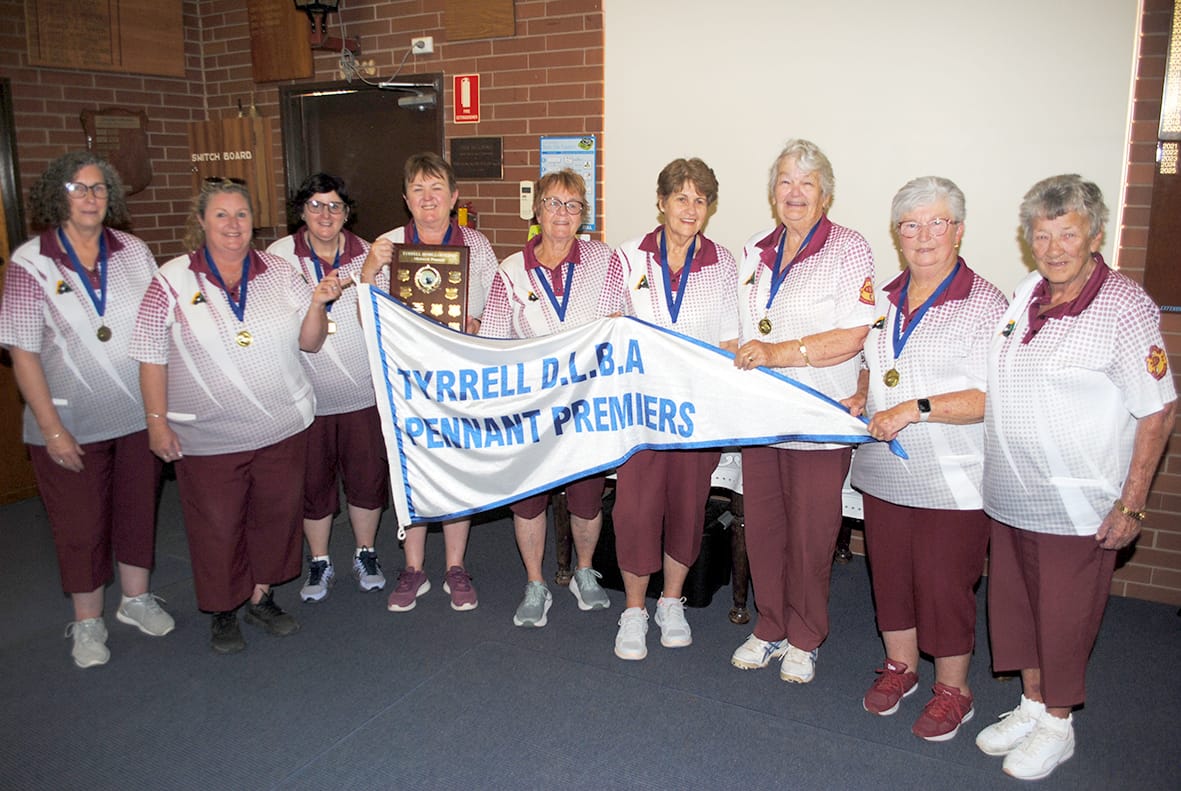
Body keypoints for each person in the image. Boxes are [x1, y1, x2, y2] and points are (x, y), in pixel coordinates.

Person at [975, 174, 1175, 780]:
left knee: (1062, 616)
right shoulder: (1027, 291)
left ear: (1095, 234)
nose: (1055, 246)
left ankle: (1059, 723)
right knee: (1018, 610)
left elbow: (1159, 408)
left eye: (1068, 233)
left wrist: (1133, 503)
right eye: (1043, 234)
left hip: (1077, 504)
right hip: (1011, 495)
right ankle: (1032, 705)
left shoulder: (1125, 306)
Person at [130, 178, 339, 654]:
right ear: (201, 221)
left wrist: (316, 304)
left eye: (241, 214)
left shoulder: (281, 272)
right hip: (209, 436)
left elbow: (310, 341)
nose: (232, 225)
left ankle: (260, 597)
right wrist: (156, 421)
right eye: (221, 215)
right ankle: (223, 609)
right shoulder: (172, 279)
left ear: (253, 221)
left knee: (275, 517)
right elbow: (149, 355)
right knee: (218, 524)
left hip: (281, 426)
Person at [845, 177, 1007, 741]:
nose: (924, 236)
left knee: (944, 584)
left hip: (952, 478)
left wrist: (915, 408)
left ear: (958, 230)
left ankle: (953, 690)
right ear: (898, 235)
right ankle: (901, 668)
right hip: (885, 468)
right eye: (910, 225)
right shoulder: (885, 297)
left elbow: (992, 396)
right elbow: (877, 361)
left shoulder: (987, 304)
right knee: (889, 576)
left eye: (937, 223)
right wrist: (866, 391)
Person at [0, 151, 174, 668]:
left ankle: (136, 601)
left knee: (138, 512)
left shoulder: (134, 252)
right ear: (57, 195)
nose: (90, 197)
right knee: (80, 525)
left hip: (135, 414)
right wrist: (52, 431)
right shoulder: (29, 262)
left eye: (98, 188)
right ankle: (87, 622)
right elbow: (22, 353)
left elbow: (156, 328)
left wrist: (159, 413)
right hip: (68, 422)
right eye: (78, 188)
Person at [730, 139, 875, 683]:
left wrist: (777, 354)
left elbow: (853, 334)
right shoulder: (753, 251)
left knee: (812, 536)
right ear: (773, 193)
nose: (794, 192)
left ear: (826, 196)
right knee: (764, 531)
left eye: (806, 184)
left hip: (818, 420)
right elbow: (744, 334)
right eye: (786, 182)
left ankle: (806, 634)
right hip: (762, 419)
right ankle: (769, 625)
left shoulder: (850, 249)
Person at [596, 157, 738, 660]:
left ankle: (671, 602)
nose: (691, 208)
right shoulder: (627, 256)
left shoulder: (722, 262)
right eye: (681, 197)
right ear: (661, 202)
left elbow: (728, 340)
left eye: (701, 199)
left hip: (695, 414)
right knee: (635, 510)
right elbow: (610, 328)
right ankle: (634, 609)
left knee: (686, 508)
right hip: (639, 413)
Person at [360, 152, 498, 612]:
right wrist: (367, 271)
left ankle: (455, 566)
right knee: (412, 469)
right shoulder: (388, 245)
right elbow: (368, 312)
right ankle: (414, 567)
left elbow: (494, 305)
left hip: (459, 378)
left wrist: (477, 322)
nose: (428, 198)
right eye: (418, 190)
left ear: (454, 196)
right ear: (406, 199)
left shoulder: (477, 245)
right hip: (408, 381)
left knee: (455, 469)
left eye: (437, 188)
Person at [479, 169, 614, 626]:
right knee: (530, 499)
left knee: (587, 498)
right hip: (530, 411)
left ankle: (584, 571)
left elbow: (622, 322)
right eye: (554, 203)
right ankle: (535, 582)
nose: (563, 213)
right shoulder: (511, 271)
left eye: (573, 205)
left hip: (587, 406)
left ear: (583, 214)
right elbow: (496, 341)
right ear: (536, 211)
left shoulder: (604, 260)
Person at [267, 173, 389, 604]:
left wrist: (368, 277)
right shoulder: (278, 258)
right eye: (316, 205)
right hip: (305, 396)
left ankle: (366, 552)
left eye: (335, 206)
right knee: (313, 485)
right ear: (301, 210)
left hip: (362, 391)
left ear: (347, 213)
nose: (325, 214)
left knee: (367, 479)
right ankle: (319, 560)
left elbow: (380, 322)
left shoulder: (369, 254)